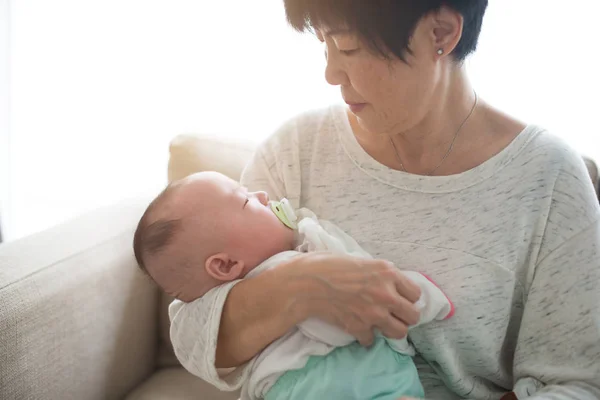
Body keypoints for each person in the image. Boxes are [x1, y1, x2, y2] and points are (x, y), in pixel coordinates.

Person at [170, 1, 600, 399]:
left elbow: (577, 382)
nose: (331, 74)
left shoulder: (547, 177)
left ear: (441, 33)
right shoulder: (296, 150)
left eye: (348, 47)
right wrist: (296, 288)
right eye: (324, 44)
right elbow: (194, 338)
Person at [133, 171, 454, 400]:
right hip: (324, 384)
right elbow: (352, 315)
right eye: (246, 201)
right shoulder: (279, 267)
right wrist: (426, 299)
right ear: (226, 265)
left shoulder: (291, 255)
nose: (261, 194)